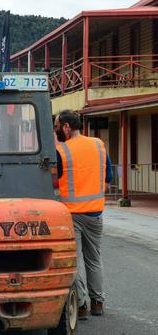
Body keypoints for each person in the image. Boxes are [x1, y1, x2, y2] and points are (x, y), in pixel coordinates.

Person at [54, 110, 112, 320]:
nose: (56, 130)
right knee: (94, 258)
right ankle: (98, 302)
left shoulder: (62, 152)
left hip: (72, 215)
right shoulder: (99, 145)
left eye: (57, 125)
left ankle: (81, 305)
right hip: (96, 214)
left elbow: (53, 184)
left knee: (75, 261)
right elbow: (108, 178)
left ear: (67, 127)